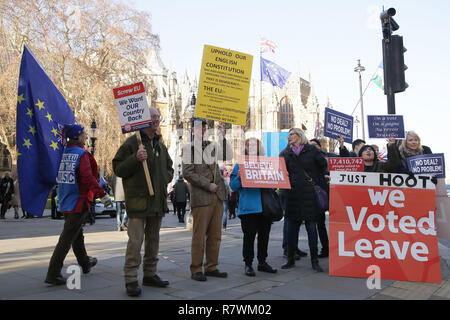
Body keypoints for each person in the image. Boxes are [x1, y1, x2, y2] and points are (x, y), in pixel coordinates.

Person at [113, 107, 174, 297]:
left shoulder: (160, 145)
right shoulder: (133, 143)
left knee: (153, 241)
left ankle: (150, 273)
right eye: (152, 117)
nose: (156, 120)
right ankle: (131, 278)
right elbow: (118, 168)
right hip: (139, 202)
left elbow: (169, 168)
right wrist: (135, 159)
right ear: (144, 120)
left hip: (157, 201)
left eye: (158, 117)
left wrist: (163, 179)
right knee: (136, 241)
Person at [45, 123, 111, 285]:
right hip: (78, 201)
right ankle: (53, 273)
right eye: (83, 135)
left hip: (65, 200)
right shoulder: (82, 155)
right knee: (67, 238)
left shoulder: (63, 153)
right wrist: (102, 195)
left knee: (76, 234)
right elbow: (88, 178)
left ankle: (85, 263)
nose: (86, 137)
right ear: (76, 137)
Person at [182, 118, 233, 282]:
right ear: (192, 131)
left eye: (204, 127)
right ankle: (196, 268)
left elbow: (228, 155)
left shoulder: (212, 146)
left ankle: (211, 266)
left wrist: (221, 134)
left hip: (217, 196)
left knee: (215, 235)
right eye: (199, 127)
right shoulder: (189, 148)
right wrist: (207, 185)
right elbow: (188, 173)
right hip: (202, 196)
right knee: (199, 236)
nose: (203, 130)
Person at [280, 128, 329, 272]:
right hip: (293, 194)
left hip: (309, 194)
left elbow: (323, 165)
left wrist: (326, 175)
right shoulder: (285, 153)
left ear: (299, 136)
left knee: (311, 229)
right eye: (288, 135)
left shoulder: (312, 150)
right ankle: (290, 259)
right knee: (291, 230)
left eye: (292, 134)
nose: (289, 137)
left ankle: (314, 261)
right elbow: (279, 170)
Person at [230, 138, 278, 277]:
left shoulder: (266, 163)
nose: (251, 148)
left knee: (264, 236)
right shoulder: (240, 164)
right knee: (249, 237)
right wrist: (238, 178)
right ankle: (248, 264)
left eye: (254, 146)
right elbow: (233, 186)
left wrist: (279, 177)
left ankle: (262, 262)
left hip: (265, 206)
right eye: (248, 146)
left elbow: (274, 184)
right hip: (249, 207)